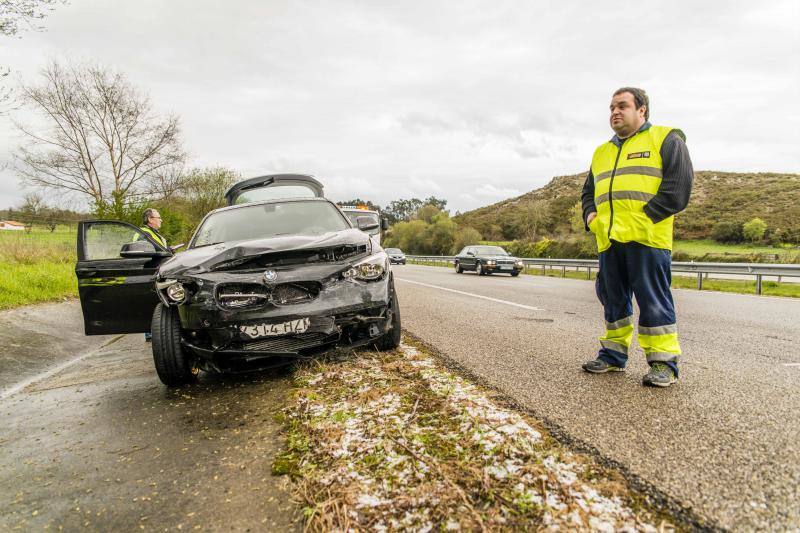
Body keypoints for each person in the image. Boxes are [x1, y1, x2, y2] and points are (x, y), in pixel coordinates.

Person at [580, 87, 693, 387]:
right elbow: (588, 192)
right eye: (611, 107)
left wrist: (646, 217)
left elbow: (678, 187)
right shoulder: (601, 151)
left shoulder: (667, 139)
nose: (615, 112)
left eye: (622, 106)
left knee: (653, 301)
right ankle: (613, 357)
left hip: (648, 239)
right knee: (613, 301)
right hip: (609, 240)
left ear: (642, 110)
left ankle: (663, 364)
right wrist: (591, 217)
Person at [139, 208, 167, 342]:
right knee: (151, 302)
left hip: (157, 271)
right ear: (150, 219)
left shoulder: (152, 233)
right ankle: (150, 333)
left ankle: (152, 333)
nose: (161, 220)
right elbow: (145, 253)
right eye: (158, 217)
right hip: (149, 272)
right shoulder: (143, 233)